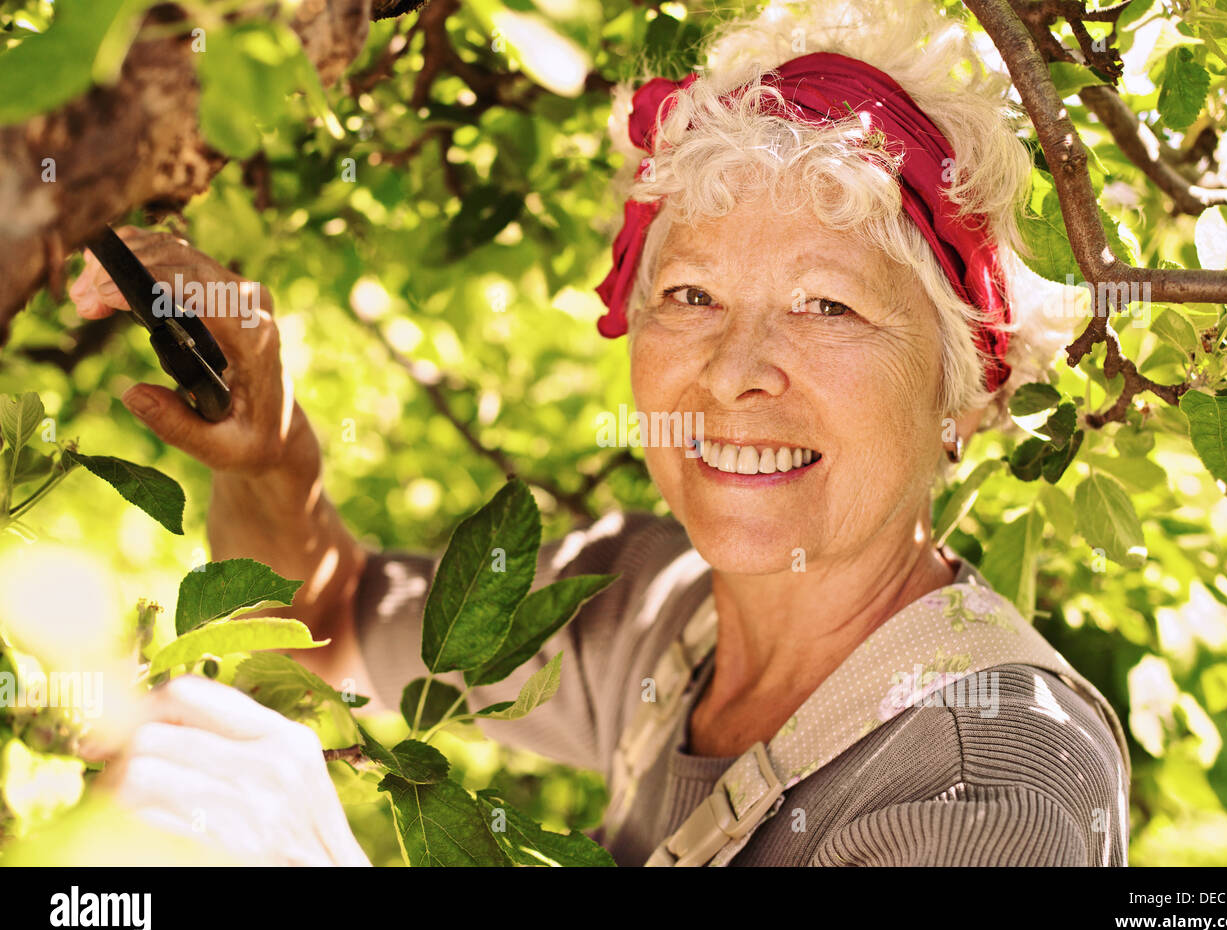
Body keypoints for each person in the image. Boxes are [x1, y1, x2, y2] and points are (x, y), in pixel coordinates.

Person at [69, 0, 1129, 866]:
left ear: (964, 389)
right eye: (691, 292)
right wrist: (272, 454)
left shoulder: (994, 787)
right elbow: (327, 618)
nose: (732, 370)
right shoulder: (656, 610)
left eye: (825, 305)